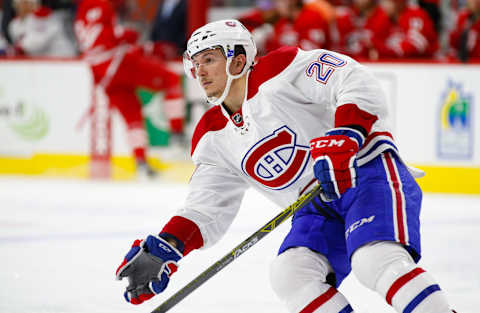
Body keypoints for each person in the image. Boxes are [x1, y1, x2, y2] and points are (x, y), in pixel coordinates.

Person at [115, 19, 456, 313]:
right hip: (315, 205)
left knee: (374, 262)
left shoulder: (280, 68)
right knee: (290, 274)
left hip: (364, 171)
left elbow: (352, 79)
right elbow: (205, 209)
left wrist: (346, 134)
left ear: (238, 59)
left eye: (209, 59)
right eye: (195, 63)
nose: (199, 71)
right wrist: (167, 246)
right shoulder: (211, 135)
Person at [74, 0, 186, 178]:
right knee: (170, 79)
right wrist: (127, 33)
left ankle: (141, 162)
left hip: (102, 76)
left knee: (132, 115)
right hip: (116, 64)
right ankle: (177, 136)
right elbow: (103, 38)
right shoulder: (98, 4)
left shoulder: (83, 7)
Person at [7, 0, 77, 57]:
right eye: (20, 4)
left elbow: (38, 42)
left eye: (26, 3)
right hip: (42, 62)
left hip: (65, 58)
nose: (22, 7)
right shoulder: (14, 24)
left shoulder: (45, 17)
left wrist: (20, 47)